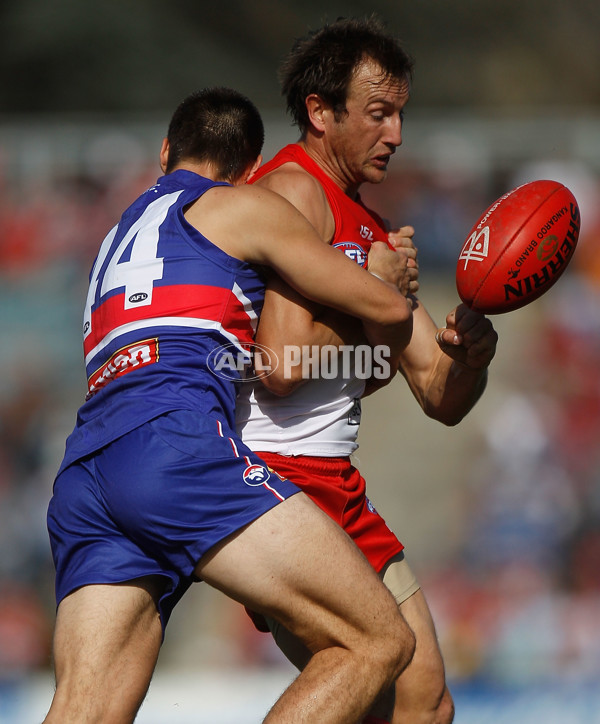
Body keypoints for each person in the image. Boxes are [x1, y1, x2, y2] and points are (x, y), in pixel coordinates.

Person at [43, 87, 420, 724]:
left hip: (85, 471)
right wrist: (387, 276)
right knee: (378, 639)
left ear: (165, 152)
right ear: (251, 170)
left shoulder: (113, 236)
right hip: (173, 446)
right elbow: (383, 306)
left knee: (84, 709)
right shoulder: (242, 205)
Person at [236, 17, 499, 724]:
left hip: (335, 487)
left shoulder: (370, 227)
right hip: (278, 484)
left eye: (402, 114)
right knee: (378, 673)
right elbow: (283, 366)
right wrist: (376, 289)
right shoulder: (294, 191)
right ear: (321, 113)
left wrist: (470, 356)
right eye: (379, 112)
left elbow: (438, 395)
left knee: (426, 702)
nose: (397, 133)